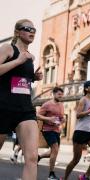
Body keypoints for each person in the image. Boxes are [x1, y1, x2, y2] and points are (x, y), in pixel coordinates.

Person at [0, 19, 42, 180]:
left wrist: (33, 77)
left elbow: (19, 80)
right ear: (17, 32)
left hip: (25, 110)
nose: (32, 32)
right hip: (3, 107)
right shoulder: (8, 49)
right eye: (27, 28)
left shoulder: (31, 57)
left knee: (31, 157)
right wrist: (18, 61)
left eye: (34, 29)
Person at [64, 80, 90, 180]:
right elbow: (78, 115)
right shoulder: (83, 100)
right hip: (80, 132)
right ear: (86, 88)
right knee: (76, 160)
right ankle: (64, 178)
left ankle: (85, 176)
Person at [37, 87, 65, 180]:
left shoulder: (61, 105)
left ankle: (39, 157)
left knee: (53, 152)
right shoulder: (47, 104)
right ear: (54, 94)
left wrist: (62, 120)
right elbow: (37, 115)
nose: (61, 96)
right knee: (55, 149)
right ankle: (51, 174)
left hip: (56, 130)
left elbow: (60, 118)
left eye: (62, 95)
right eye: (59, 94)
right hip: (47, 130)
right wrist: (48, 119)